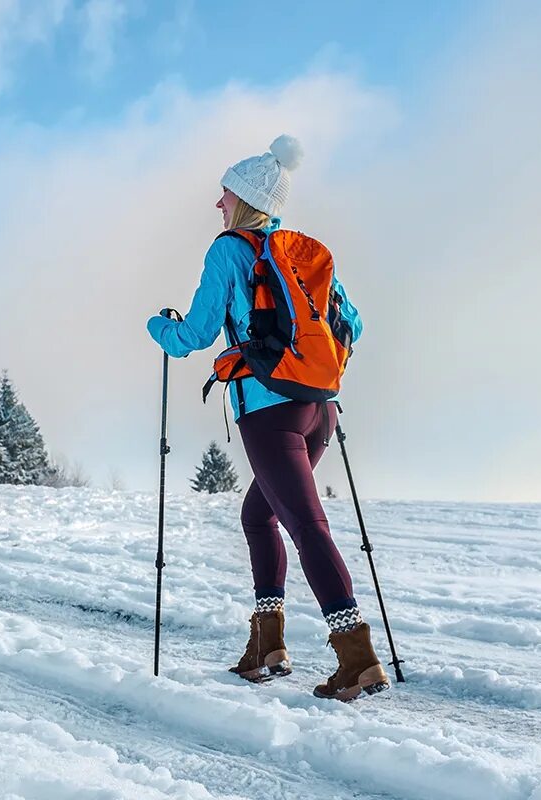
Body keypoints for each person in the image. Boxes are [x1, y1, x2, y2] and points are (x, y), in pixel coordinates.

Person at [146, 136, 389, 701]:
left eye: (224, 194)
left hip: (268, 412)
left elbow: (194, 336)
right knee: (260, 515)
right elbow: (351, 322)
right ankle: (267, 645)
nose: (218, 204)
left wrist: (158, 328)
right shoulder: (298, 254)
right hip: (319, 409)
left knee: (307, 526)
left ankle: (357, 657)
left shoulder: (228, 251)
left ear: (246, 198)